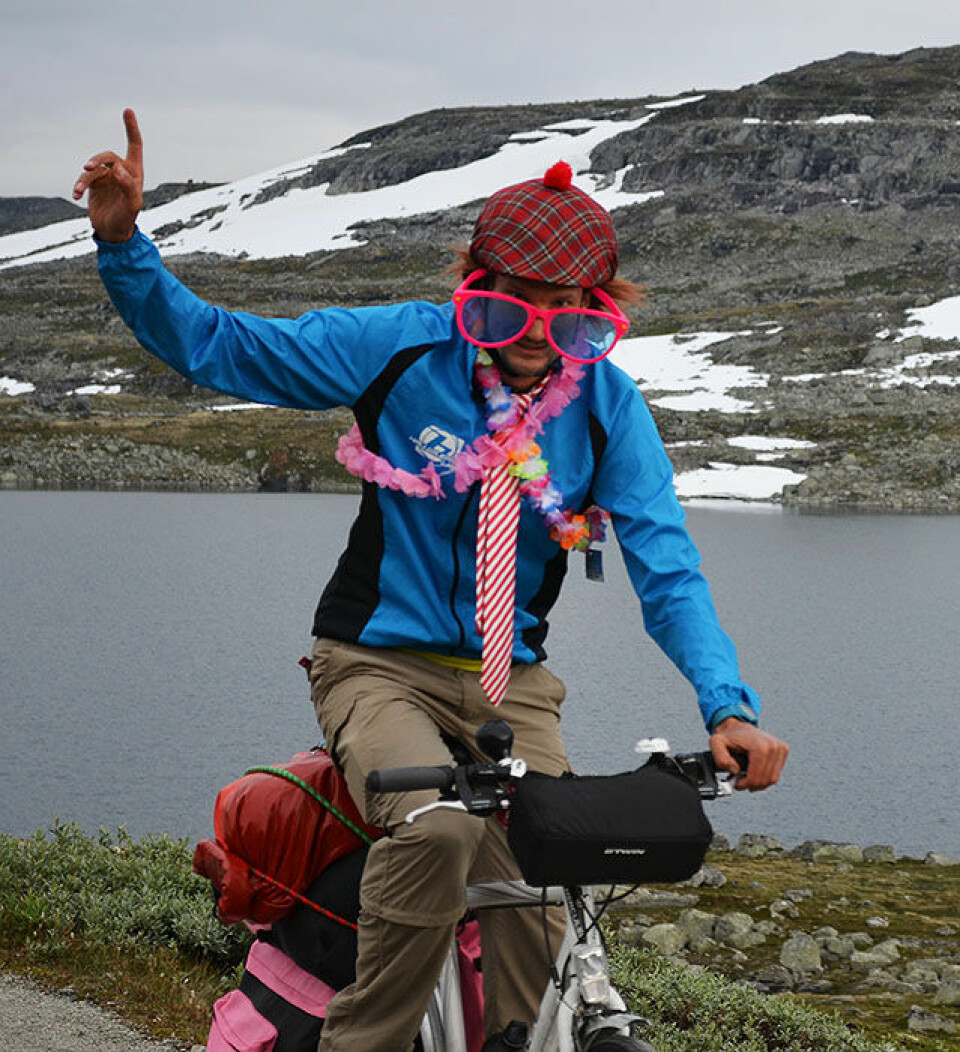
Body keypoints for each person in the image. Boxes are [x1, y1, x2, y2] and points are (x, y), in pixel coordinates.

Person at [74, 109, 789, 1051]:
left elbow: (668, 569)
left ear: (599, 312)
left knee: (547, 868)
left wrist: (726, 707)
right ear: (473, 290)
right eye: (509, 310)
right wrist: (124, 243)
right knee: (442, 832)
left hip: (513, 681)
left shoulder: (610, 409)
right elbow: (221, 346)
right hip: (375, 665)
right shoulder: (403, 347)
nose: (535, 337)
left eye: (570, 317)